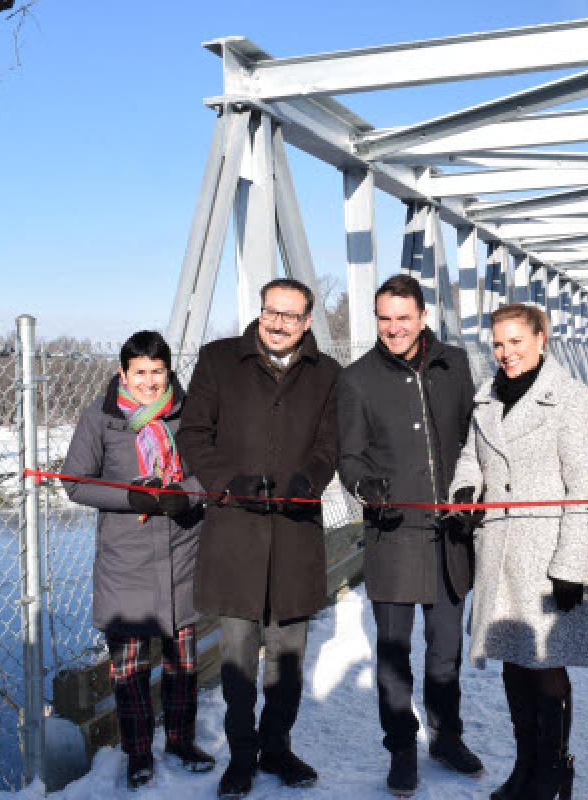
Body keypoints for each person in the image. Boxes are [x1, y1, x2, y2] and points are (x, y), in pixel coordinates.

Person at [447, 303, 588, 800]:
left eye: (516, 342)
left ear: (541, 339)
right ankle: (525, 767)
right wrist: (466, 488)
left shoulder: (567, 397)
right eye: (498, 344)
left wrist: (569, 566)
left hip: (546, 556)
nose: (506, 353)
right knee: (514, 661)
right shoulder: (487, 397)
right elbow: (470, 457)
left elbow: (579, 486)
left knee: (545, 666)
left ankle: (555, 772)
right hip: (500, 550)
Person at [175, 278, 340, 799]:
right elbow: (194, 433)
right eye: (272, 312)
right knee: (239, 658)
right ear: (260, 311)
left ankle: (278, 749)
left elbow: (330, 443)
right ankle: (241, 756)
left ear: (307, 321)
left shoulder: (328, 375)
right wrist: (228, 482)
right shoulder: (220, 360)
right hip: (235, 533)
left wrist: (307, 480)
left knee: (288, 659)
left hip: (294, 534)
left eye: (292, 316)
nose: (279, 323)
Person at [336, 273, 483, 796]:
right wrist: (363, 484)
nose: (393, 328)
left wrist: (473, 492)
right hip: (393, 536)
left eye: (403, 317)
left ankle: (447, 737)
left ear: (423, 317)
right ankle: (401, 746)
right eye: (384, 318)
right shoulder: (356, 380)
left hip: (449, 537)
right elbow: (348, 456)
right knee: (394, 654)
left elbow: (473, 436)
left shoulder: (455, 365)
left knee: (445, 650)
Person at [60, 330, 215, 790]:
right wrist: (135, 496)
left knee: (182, 663)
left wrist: (184, 495)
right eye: (140, 372)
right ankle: (138, 753)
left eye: (157, 372)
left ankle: (182, 742)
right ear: (123, 374)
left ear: (169, 371)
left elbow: (209, 470)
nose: (149, 382)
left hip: (183, 552)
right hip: (125, 560)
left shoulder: (190, 414)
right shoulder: (101, 419)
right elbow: (74, 482)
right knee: (129, 669)